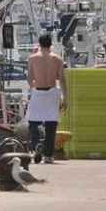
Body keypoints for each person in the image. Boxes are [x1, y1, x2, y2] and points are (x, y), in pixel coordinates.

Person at [26, 33, 67, 164]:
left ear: (40, 44)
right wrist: (65, 98)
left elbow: (29, 78)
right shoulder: (57, 59)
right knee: (51, 124)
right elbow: (62, 80)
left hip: (37, 91)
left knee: (32, 121)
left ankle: (36, 143)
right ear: (50, 44)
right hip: (52, 92)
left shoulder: (32, 58)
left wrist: (35, 88)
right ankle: (48, 155)